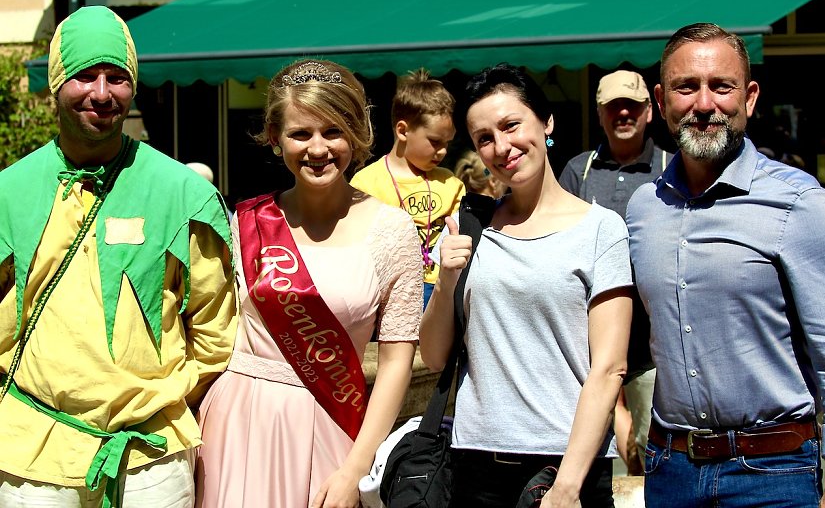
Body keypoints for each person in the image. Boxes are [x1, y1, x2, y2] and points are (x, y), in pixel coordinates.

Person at [0, 6, 237, 507]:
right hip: (32, 455)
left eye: (117, 77)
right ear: (56, 84)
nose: (102, 93)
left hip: (151, 458)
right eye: (85, 76)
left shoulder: (180, 193)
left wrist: (161, 400)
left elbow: (215, 329)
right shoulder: (9, 193)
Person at [195, 59, 423, 508]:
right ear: (275, 139)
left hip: (334, 429)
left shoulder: (392, 230)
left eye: (333, 131)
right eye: (300, 134)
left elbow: (397, 362)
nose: (318, 148)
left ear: (356, 135)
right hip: (237, 423)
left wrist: (356, 468)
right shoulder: (246, 222)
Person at [627, 22, 825, 508]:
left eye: (721, 86)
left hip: (774, 473)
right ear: (661, 101)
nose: (704, 105)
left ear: (750, 96)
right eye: (686, 87)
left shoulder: (800, 204)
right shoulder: (643, 208)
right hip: (670, 468)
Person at [420, 63, 633, 508]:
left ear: (546, 121)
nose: (501, 147)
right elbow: (435, 355)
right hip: (475, 464)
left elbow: (609, 367)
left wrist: (568, 487)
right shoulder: (468, 227)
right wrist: (445, 281)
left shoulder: (601, 229)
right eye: (484, 138)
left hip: (565, 466)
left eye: (511, 125)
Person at [559, 69, 666, 475]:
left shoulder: (671, 167)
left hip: (651, 343)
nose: (624, 114)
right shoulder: (578, 170)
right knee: (594, 451)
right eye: (613, 107)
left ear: (649, 112)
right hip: (585, 341)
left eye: (632, 106)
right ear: (601, 114)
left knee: (651, 449)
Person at [350, 68, 465, 307]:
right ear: (403, 131)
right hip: (388, 290)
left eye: (447, 143)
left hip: (441, 288)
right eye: (434, 141)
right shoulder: (365, 183)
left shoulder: (451, 184)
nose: (442, 151)